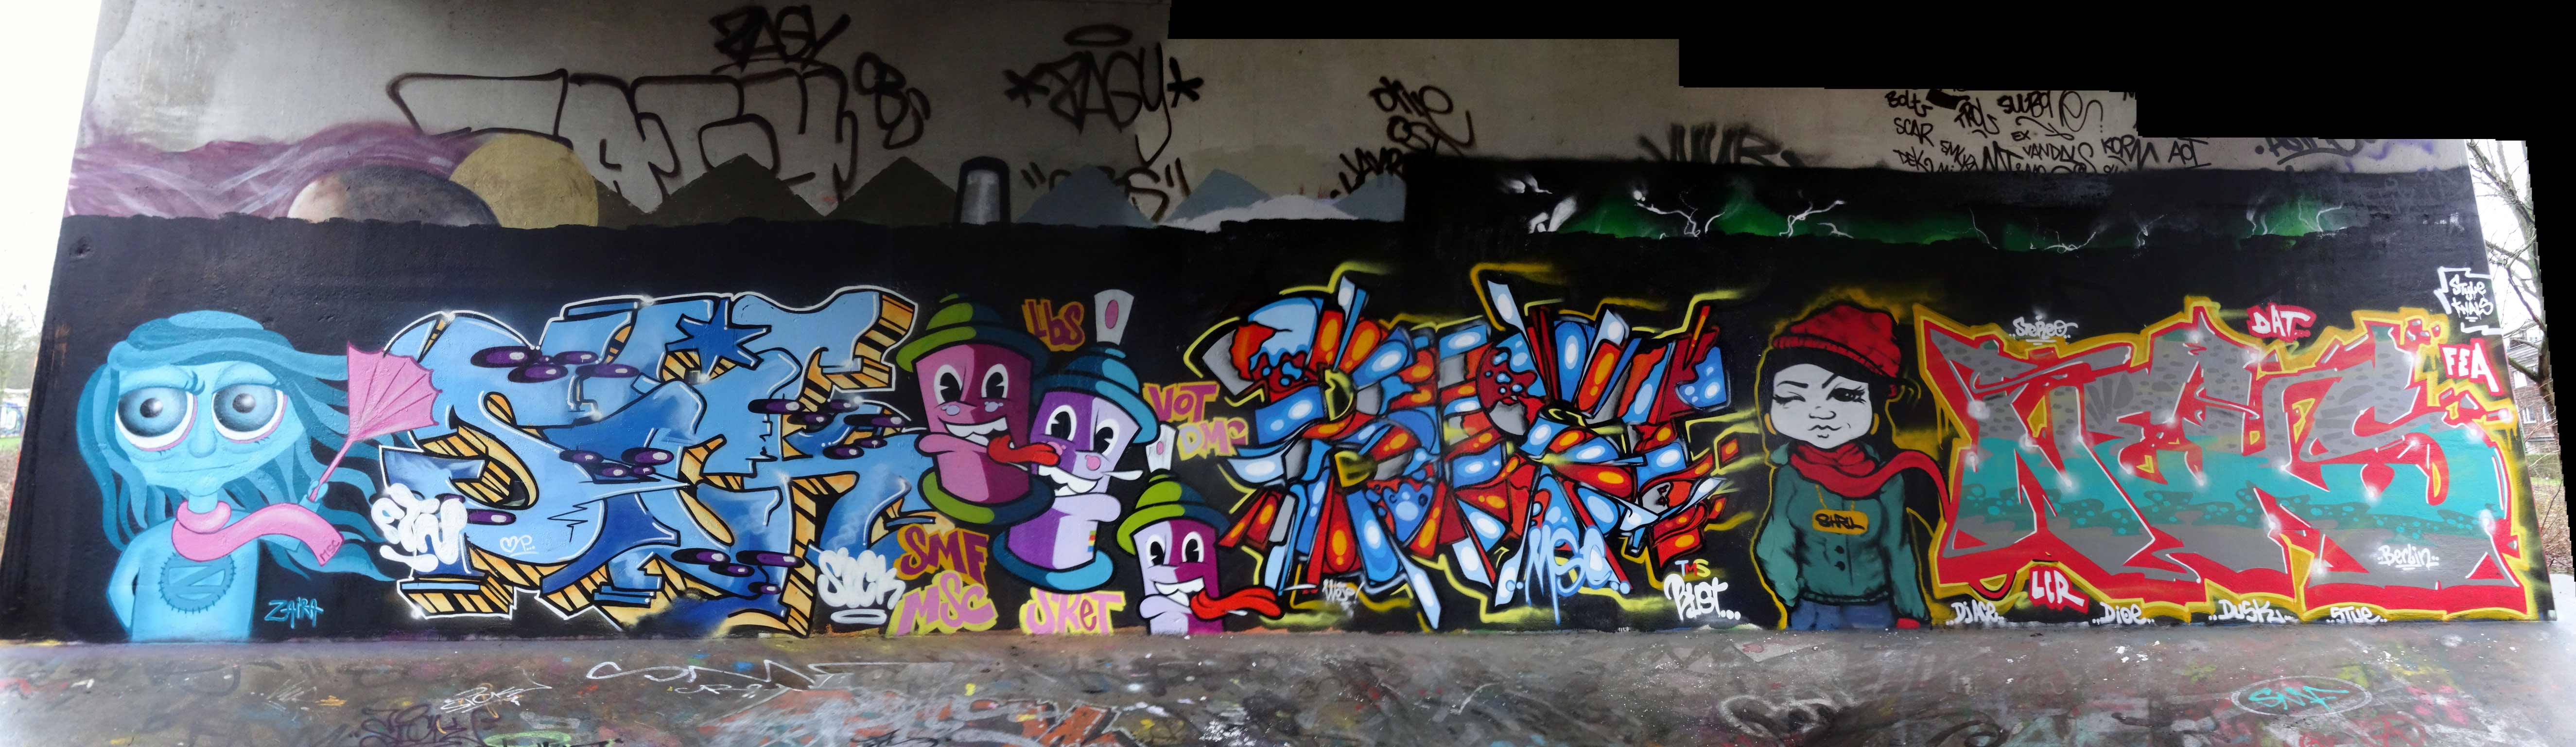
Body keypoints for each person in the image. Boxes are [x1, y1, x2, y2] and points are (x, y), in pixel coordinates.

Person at [77, 311, 389, 640]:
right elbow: (119, 590)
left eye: (244, 406)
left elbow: (314, 552)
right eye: (151, 411)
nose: (203, 446)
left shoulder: (255, 527)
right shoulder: (156, 541)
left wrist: (371, 556)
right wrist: (143, 634)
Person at [1752, 303, 1941, 630]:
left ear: (1874, 403)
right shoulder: (1790, 476)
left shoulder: (1888, 478)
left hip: (1877, 611)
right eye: (1793, 397)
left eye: (1844, 395)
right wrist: (1793, 596)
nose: (1821, 413)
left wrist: (1912, 614)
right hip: (1812, 612)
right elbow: (1774, 545)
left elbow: (1898, 551)